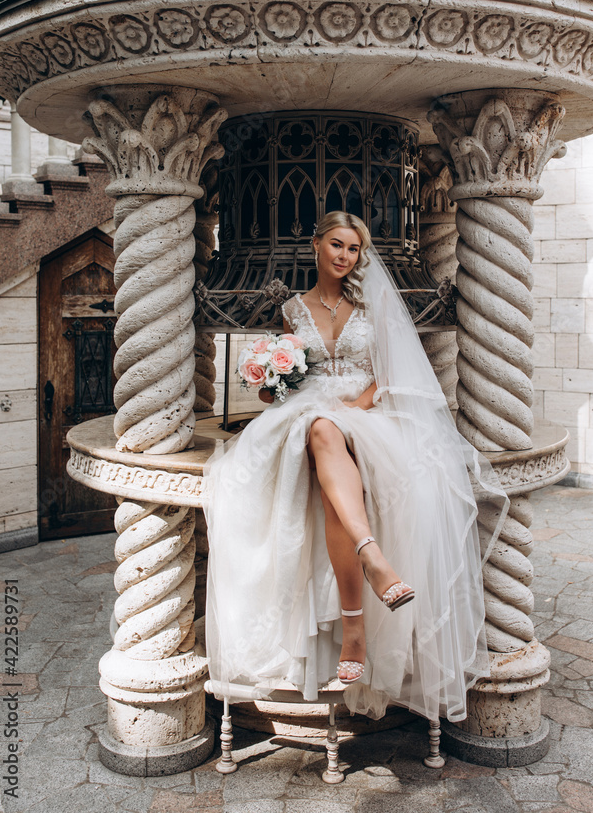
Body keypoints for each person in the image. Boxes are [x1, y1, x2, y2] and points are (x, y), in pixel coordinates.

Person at [203, 211, 508, 723]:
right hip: (308, 414)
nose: (345, 257)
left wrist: (353, 410)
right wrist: (268, 379)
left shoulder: (373, 305)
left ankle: (354, 622)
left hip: (367, 410)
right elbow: (286, 385)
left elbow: (388, 376)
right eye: (337, 245)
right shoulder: (292, 309)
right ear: (316, 244)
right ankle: (370, 565)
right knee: (318, 432)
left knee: (327, 431)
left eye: (354, 249)